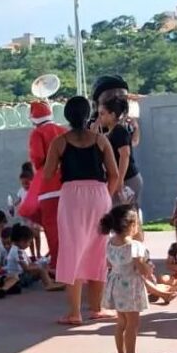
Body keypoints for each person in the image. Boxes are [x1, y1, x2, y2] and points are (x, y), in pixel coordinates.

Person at [44, 96, 120, 325]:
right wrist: (105, 194)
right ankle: (97, 308)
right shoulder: (101, 140)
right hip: (99, 195)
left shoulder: (59, 142)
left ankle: (74, 312)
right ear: (89, 115)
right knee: (98, 249)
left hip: (71, 197)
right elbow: (115, 175)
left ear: (67, 116)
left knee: (72, 250)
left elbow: (47, 175)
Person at [101, 204, 176, 353]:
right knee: (133, 324)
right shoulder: (135, 246)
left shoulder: (111, 242)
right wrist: (148, 269)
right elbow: (141, 267)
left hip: (116, 285)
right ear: (132, 225)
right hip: (130, 288)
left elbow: (108, 263)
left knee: (121, 322)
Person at [26, 101, 68, 274]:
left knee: (52, 227)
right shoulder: (64, 131)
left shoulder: (37, 133)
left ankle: (58, 265)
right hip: (67, 184)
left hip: (48, 187)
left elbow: (38, 158)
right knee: (69, 227)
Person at [99, 96, 142, 205]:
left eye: (103, 114)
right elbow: (134, 142)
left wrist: (120, 180)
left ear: (112, 115)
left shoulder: (119, 131)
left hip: (127, 179)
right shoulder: (113, 132)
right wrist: (136, 128)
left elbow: (125, 154)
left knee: (122, 216)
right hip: (124, 179)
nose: (100, 117)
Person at [5, 223, 60, 291]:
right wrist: (39, 268)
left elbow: (30, 264)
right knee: (41, 270)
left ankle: (50, 281)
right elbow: (26, 268)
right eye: (29, 242)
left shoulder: (19, 250)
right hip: (18, 278)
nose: (29, 245)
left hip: (21, 275)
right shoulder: (17, 251)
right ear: (22, 241)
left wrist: (40, 265)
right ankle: (48, 284)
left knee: (43, 267)